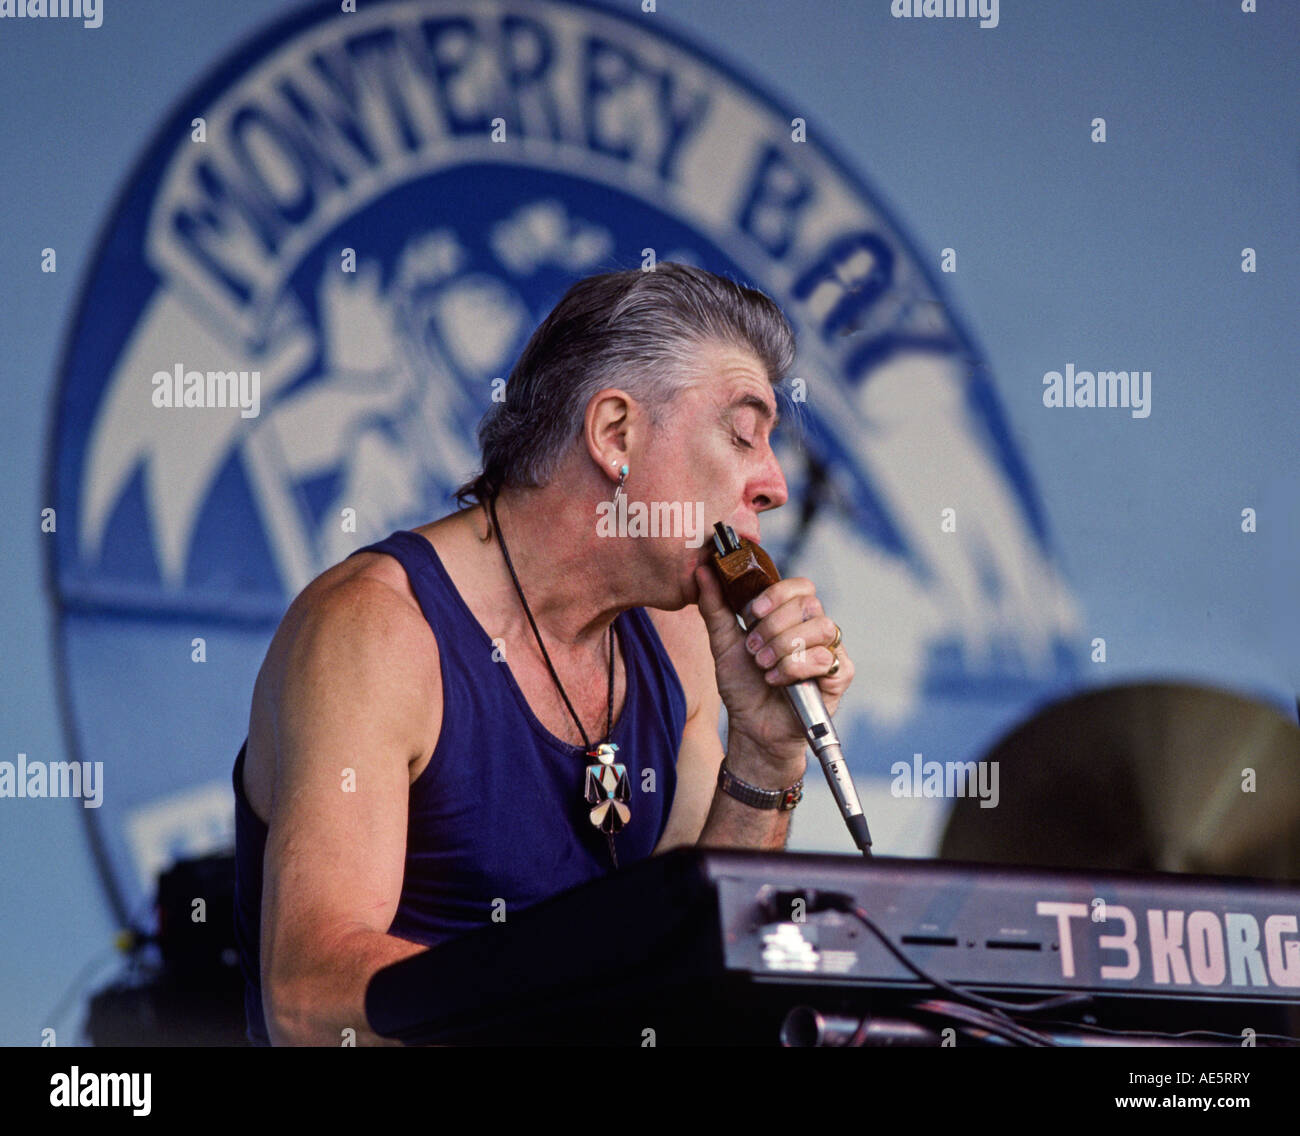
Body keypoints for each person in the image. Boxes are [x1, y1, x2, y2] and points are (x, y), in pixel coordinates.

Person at [232, 262, 855, 1045]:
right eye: (742, 434)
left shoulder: (680, 639)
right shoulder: (377, 630)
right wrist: (578, 1008)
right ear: (616, 434)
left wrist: (765, 759)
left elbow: (696, 970)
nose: (773, 485)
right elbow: (309, 1000)